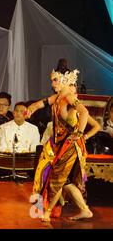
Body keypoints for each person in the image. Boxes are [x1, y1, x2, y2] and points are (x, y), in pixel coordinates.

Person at [27, 69, 96, 222]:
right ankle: (84, 210)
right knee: (63, 181)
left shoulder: (69, 97)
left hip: (70, 145)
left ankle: (47, 212)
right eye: (52, 80)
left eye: (55, 80)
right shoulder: (57, 97)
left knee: (57, 179)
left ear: (65, 81)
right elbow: (41, 103)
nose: (52, 83)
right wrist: (31, 108)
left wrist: (79, 133)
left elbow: (84, 113)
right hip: (60, 143)